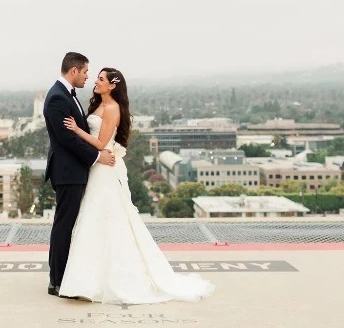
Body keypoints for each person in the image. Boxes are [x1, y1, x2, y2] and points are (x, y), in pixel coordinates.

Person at [57, 67, 215, 305]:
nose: (95, 82)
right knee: (93, 218)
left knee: (105, 217)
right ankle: (86, 280)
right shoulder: (97, 105)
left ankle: (101, 280)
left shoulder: (112, 109)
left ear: (112, 85)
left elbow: (102, 143)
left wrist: (77, 130)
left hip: (105, 168)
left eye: (100, 79)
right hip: (95, 167)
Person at [43, 52, 116, 298]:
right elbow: (68, 139)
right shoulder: (57, 98)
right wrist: (98, 157)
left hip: (75, 171)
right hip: (68, 172)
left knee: (68, 225)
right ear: (73, 71)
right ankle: (57, 282)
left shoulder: (67, 96)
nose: (87, 77)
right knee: (64, 226)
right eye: (85, 72)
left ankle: (64, 277)